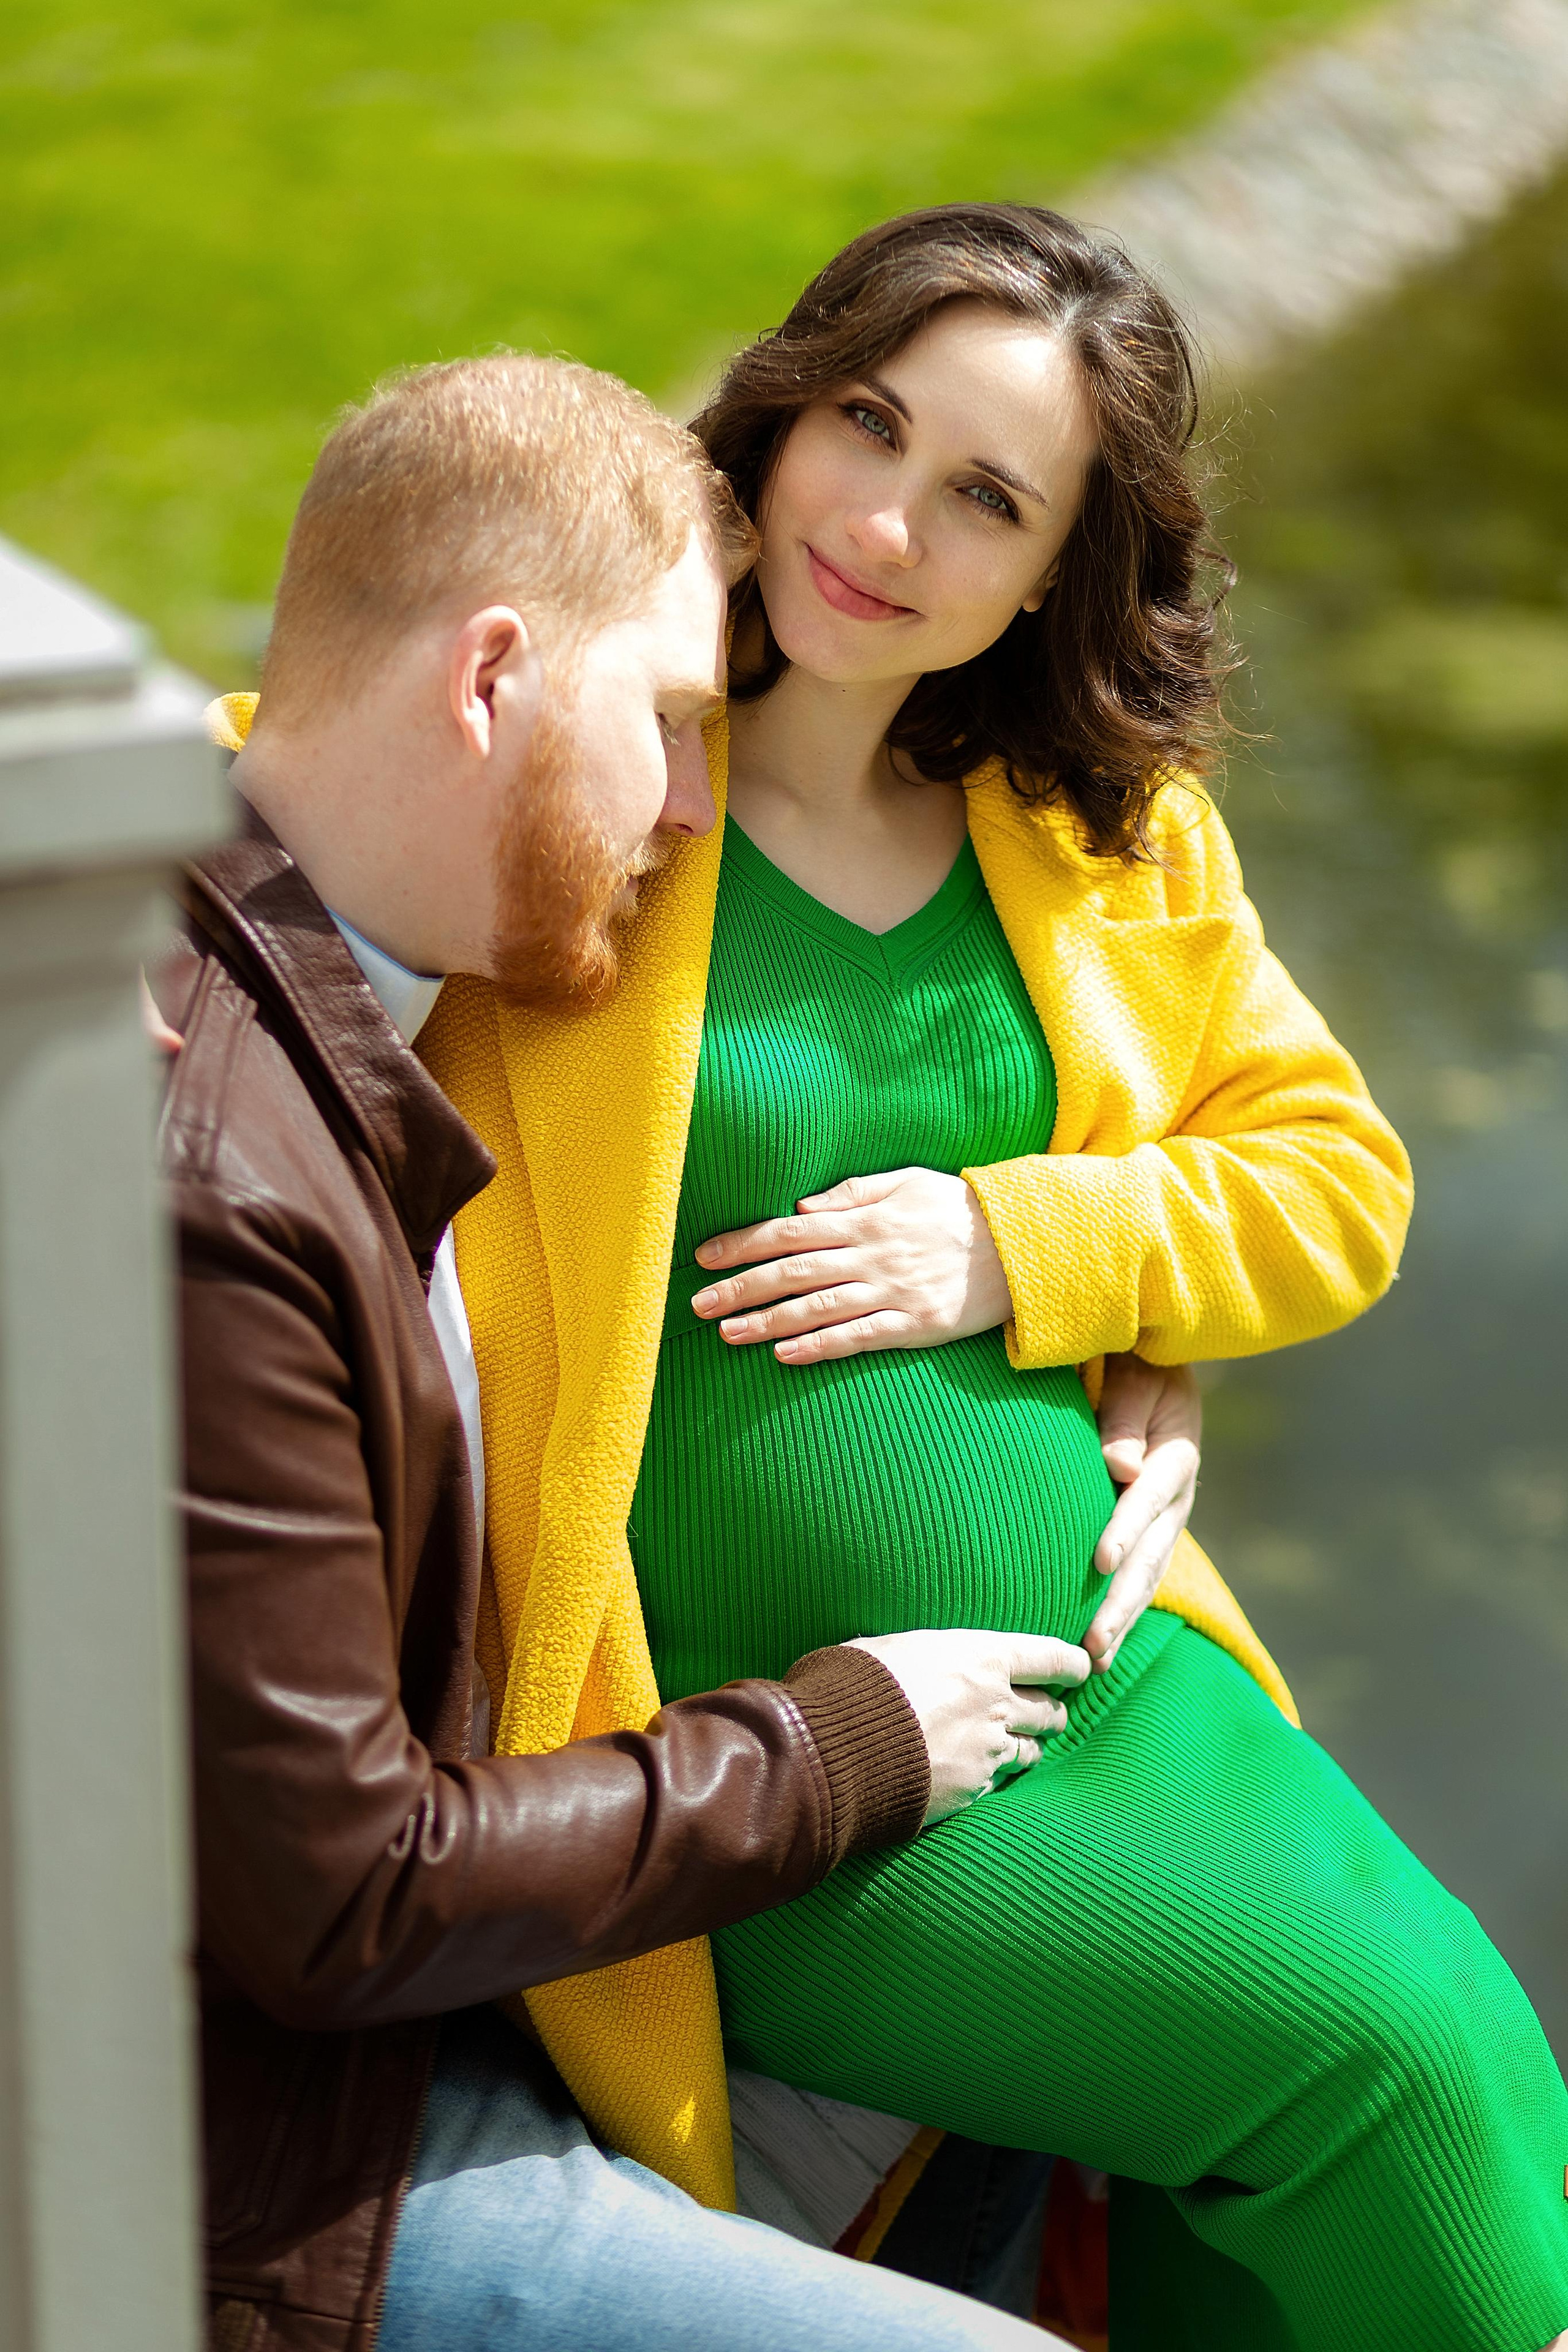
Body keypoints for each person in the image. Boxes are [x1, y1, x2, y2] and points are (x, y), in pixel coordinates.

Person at [423, 209, 1568, 2352]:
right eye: (868, 425)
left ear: (1050, 575)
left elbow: (1336, 1184)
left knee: (1463, 2079)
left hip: (1111, 1683)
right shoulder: (569, 766)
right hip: (779, 1783)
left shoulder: (1099, 834)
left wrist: (1041, 1255)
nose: (887, 527)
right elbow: (287, 774)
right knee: (1392, 2080)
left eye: (986, 498)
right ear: (784, 412)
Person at [164, 352, 1197, 2352]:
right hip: (284, 2157)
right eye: (664, 725)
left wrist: (1120, 1325)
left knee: (1014, 2116)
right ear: (489, 683)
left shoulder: (321, 980)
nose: (699, 808)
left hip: (414, 2028)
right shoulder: (212, 1181)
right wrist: (834, 1747)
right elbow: (343, 1900)